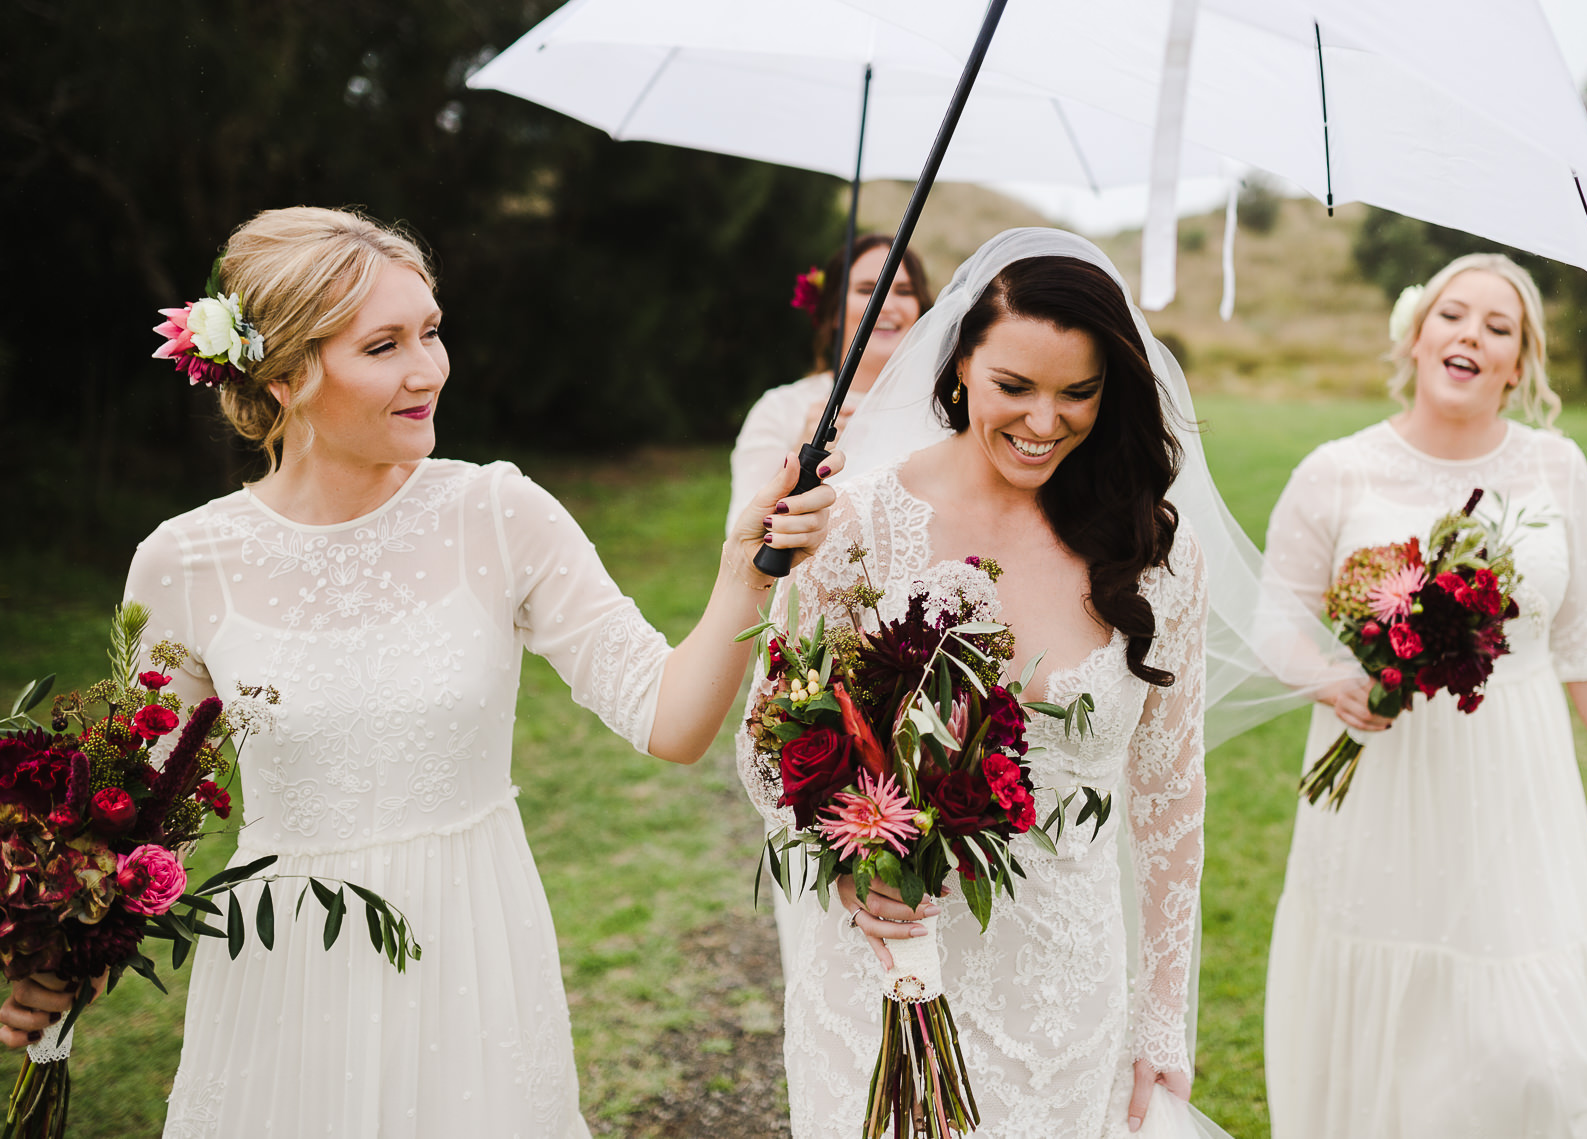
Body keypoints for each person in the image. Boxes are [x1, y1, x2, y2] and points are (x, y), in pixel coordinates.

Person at [127, 207, 841, 1139]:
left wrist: (743, 573)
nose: (429, 368)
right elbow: (141, 830)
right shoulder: (187, 562)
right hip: (284, 974)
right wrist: (59, 945)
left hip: (471, 961)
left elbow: (671, 720)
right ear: (286, 371)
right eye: (384, 345)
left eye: (430, 331)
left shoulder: (499, 513)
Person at [736, 229, 1275, 1139]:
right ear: (958, 374)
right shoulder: (861, 520)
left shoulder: (1154, 555)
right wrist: (848, 866)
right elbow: (767, 738)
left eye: (1079, 392)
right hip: (883, 973)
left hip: (1062, 989)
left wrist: (1161, 1014)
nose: (1043, 420)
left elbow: (1170, 792)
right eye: (1013, 388)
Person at [1260, 253, 1587, 1139]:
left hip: (1518, 781)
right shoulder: (1337, 470)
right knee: (1385, 1018)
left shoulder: (1557, 468)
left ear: (1518, 363)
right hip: (1381, 785)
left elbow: (1585, 637)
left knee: (1522, 1048)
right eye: (1453, 315)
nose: (1471, 333)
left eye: (1497, 327)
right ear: (1417, 336)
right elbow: (1273, 613)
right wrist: (1330, 675)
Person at [726, 234, 932, 527]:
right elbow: (741, 536)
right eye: (866, 290)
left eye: (904, 290)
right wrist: (802, 454)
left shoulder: (944, 407)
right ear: (834, 310)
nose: (886, 304)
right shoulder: (780, 409)